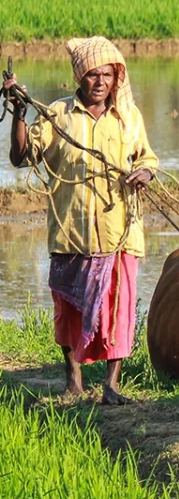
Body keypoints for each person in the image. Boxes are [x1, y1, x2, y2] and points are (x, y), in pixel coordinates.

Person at [4, 37, 158, 404]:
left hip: (120, 231)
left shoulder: (128, 117)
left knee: (118, 308)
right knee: (69, 308)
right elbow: (21, 156)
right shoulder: (57, 115)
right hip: (71, 232)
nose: (100, 81)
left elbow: (148, 159)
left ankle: (112, 384)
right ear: (79, 76)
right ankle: (73, 377)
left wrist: (144, 173)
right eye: (92, 74)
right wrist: (18, 113)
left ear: (116, 78)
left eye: (107, 74)